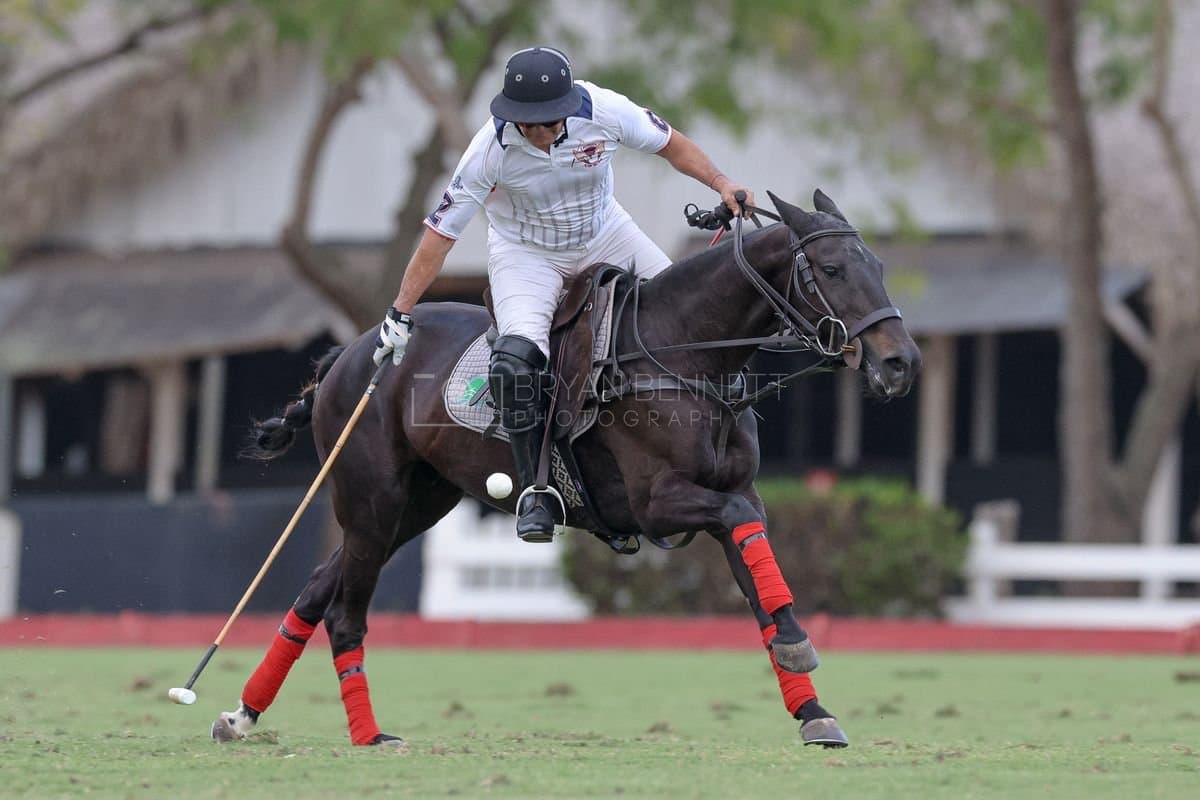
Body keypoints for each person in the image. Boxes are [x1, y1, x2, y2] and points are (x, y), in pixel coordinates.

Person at [373, 45, 754, 542]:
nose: (541, 131)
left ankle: (720, 439)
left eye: (550, 120)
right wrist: (401, 311)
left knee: (683, 319)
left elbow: (671, 145)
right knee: (515, 362)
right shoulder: (487, 151)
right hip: (526, 253)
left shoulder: (605, 110)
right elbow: (441, 235)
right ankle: (539, 489)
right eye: (528, 122)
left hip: (606, 233)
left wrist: (721, 182)